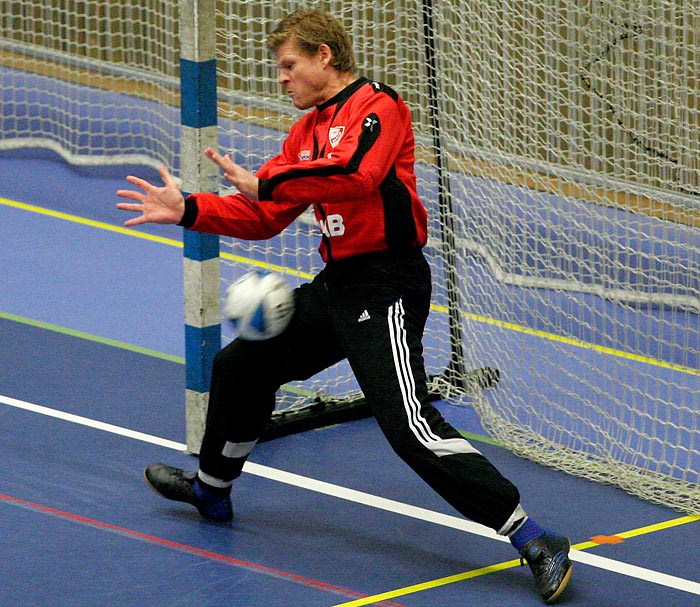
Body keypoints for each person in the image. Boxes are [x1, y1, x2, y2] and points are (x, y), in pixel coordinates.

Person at [117, 9, 572, 603]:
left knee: (406, 423)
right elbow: (263, 216)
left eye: (289, 65)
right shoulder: (303, 136)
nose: (282, 79)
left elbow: (358, 175)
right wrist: (190, 210)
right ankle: (212, 488)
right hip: (338, 284)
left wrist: (270, 182)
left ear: (323, 56)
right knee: (240, 366)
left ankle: (534, 537)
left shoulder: (378, 105)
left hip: (387, 285)